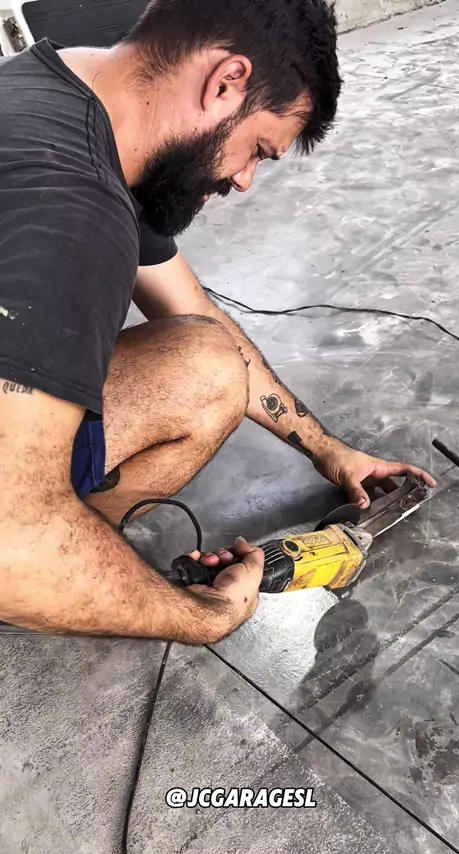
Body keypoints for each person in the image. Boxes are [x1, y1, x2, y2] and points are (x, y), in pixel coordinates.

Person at [0, 0, 435, 642]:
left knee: (207, 365)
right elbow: (6, 546)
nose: (244, 180)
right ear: (226, 81)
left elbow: (195, 313)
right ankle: (55, 574)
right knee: (25, 555)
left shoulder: (55, 92)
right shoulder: (73, 211)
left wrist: (328, 449)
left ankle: (62, 552)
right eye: (256, 149)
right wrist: (207, 617)